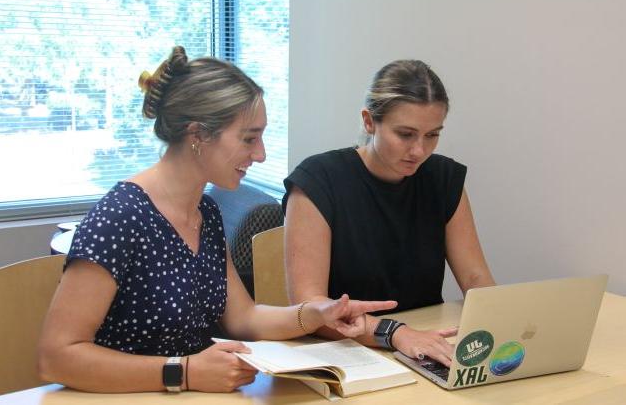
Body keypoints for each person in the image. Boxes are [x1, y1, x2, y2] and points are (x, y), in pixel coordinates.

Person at [37, 46, 397, 394]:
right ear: (198, 135)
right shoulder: (119, 219)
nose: (260, 154)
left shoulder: (204, 212)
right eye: (248, 138)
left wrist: (315, 314)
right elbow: (56, 358)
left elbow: (244, 318)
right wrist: (185, 372)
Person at [283, 59, 495, 367]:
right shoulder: (318, 180)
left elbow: (476, 277)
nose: (419, 151)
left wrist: (505, 326)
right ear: (369, 122)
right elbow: (308, 306)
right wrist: (394, 332)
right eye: (406, 134)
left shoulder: (443, 179)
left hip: (423, 344)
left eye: (432, 135)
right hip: (345, 352)